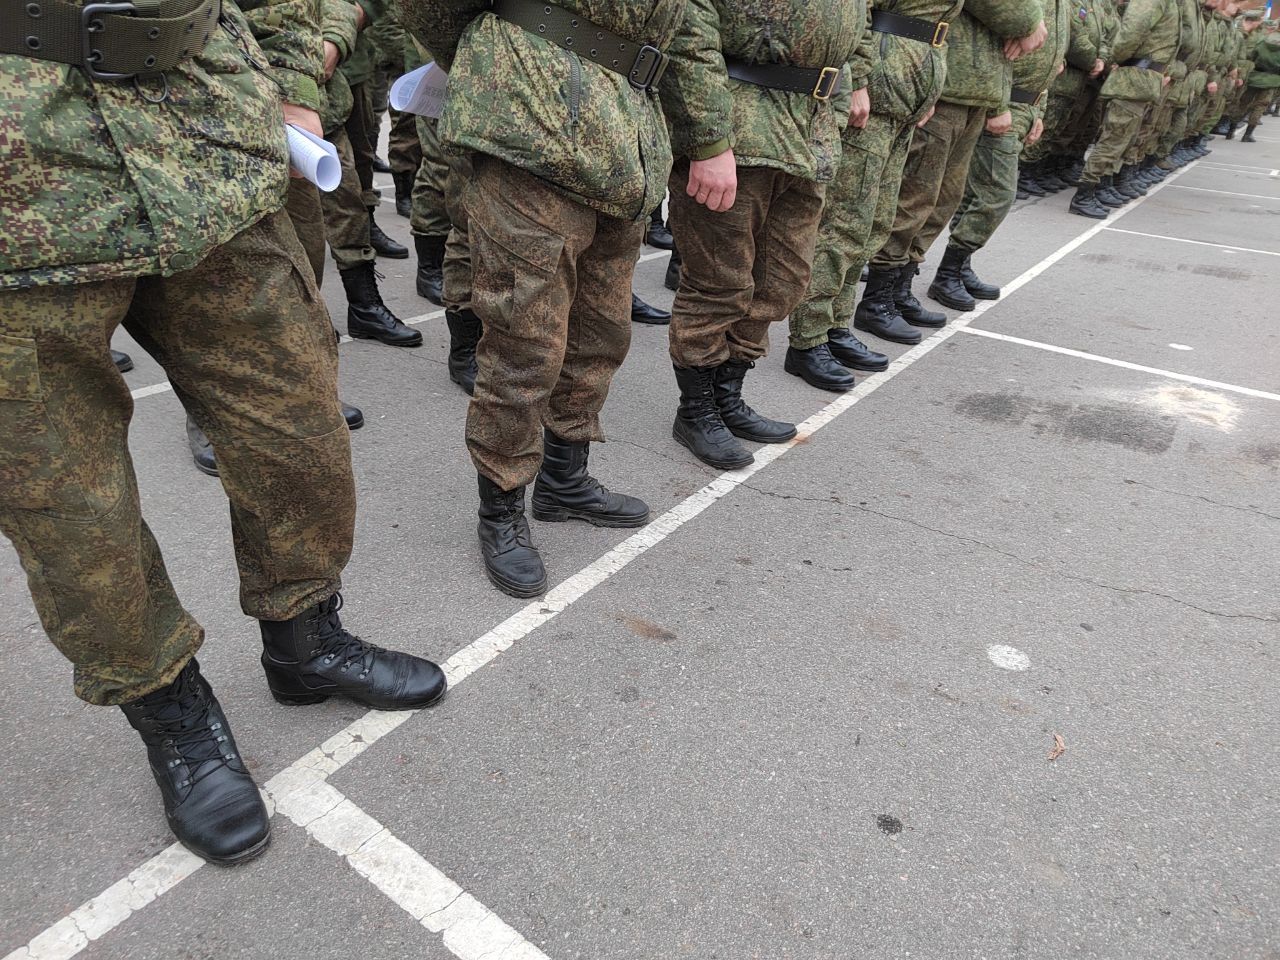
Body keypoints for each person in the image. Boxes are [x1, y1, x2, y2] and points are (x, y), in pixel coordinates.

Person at [0, 0, 445, 864]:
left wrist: (291, 79)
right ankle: (170, 708)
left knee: (298, 433)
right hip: (21, 199)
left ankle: (305, 641)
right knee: (67, 506)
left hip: (204, 146)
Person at [404, 0, 685, 598]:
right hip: (529, 125)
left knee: (601, 333)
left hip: (625, 142)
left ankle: (563, 480)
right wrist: (501, 60)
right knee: (524, 343)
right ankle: (501, 507)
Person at [662, 0, 872, 466]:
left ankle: (727, 395)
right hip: (739, 130)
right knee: (718, 283)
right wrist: (708, 140)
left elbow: (859, 27)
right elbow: (691, 35)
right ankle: (696, 411)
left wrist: (838, 107)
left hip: (808, 135)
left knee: (782, 281)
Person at [856, 0, 1047, 345]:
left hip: (976, 90)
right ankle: (877, 298)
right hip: (950, 88)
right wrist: (1031, 21)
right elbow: (1015, 13)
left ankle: (900, 287)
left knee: (943, 199)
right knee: (916, 196)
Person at [785, 0, 951, 391]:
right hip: (877, 94)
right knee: (845, 224)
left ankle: (836, 326)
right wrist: (857, 80)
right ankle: (808, 339)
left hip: (902, 98)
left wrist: (927, 90)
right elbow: (858, 10)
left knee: (872, 223)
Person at [939, 0, 1072, 294]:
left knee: (979, 192)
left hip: (1025, 104)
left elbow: (1051, 60)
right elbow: (998, 45)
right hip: (1004, 100)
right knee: (997, 193)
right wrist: (997, 105)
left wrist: (1038, 111)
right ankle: (949, 269)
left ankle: (957, 265)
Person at [1067, 0, 1181, 214]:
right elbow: (1130, 33)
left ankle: (1101, 186)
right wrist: (1116, 58)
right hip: (1133, 79)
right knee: (1113, 139)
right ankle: (1083, 195)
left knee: (1123, 139)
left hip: (1142, 81)